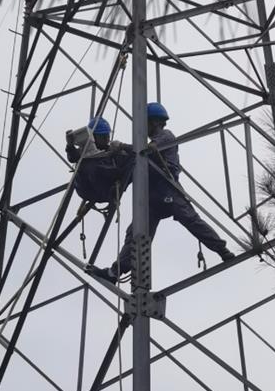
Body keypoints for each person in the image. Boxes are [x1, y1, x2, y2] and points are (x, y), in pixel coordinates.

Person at [90, 102, 234, 284]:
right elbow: (134, 161)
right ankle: (115, 272)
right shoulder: (153, 141)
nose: (144, 129)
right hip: (152, 197)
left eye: (146, 124)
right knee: (135, 233)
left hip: (168, 190)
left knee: (190, 220)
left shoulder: (166, 136)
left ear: (154, 122)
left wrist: (123, 147)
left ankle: (222, 250)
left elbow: (145, 151)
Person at [65, 116, 133, 204]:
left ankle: (114, 190)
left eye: (107, 135)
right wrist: (70, 145)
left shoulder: (112, 150)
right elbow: (73, 157)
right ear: (93, 136)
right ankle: (111, 193)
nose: (107, 139)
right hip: (90, 189)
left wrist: (122, 146)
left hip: (108, 187)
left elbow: (136, 152)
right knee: (90, 165)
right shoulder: (85, 152)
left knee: (132, 161)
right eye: (103, 136)